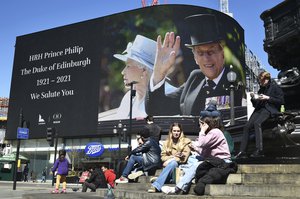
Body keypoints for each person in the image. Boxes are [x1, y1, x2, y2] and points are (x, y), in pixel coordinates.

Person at [146, 14, 244, 116]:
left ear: (222, 53)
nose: (206, 58)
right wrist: (159, 73)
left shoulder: (235, 81)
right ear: (195, 58)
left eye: (211, 52)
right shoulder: (195, 78)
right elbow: (157, 109)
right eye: (200, 53)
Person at [98, 34, 176, 121]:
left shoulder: (169, 94)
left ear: (144, 70)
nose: (123, 72)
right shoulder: (129, 98)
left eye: (128, 66)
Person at [161, 112, 232, 195]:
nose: (199, 127)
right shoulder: (209, 134)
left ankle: (178, 188)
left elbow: (202, 144)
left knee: (196, 165)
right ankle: (187, 180)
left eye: (200, 125)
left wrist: (202, 131)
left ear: (204, 124)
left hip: (222, 161)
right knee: (190, 161)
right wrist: (195, 149)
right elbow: (205, 154)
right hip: (213, 161)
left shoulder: (215, 132)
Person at [235, 71, 285, 158]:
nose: (260, 83)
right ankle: (242, 151)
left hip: (269, 109)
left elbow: (281, 101)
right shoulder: (261, 89)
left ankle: (259, 150)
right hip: (259, 109)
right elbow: (256, 104)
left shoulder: (275, 87)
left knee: (257, 123)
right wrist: (253, 98)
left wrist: (267, 98)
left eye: (261, 81)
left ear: (266, 79)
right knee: (247, 126)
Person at [148, 123, 191, 193]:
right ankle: (161, 179)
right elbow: (162, 157)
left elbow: (184, 158)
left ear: (181, 132)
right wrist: (172, 157)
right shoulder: (167, 143)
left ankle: (156, 185)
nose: (176, 133)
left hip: (182, 168)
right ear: (171, 132)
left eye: (178, 131)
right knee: (172, 163)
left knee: (173, 163)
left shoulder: (186, 141)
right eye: (174, 131)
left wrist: (171, 160)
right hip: (170, 168)